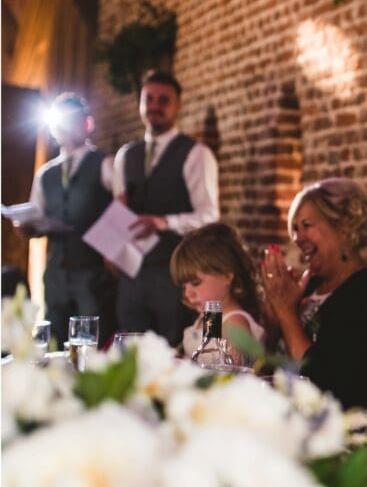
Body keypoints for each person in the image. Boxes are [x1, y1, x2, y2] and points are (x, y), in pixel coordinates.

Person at [261, 177, 367, 409]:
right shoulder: (309, 286)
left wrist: (286, 311)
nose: (297, 238)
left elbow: (322, 384)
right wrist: (274, 323)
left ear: (344, 228)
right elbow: (268, 369)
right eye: (295, 229)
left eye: (307, 225)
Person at [113, 70, 219, 346]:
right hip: (130, 275)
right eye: (148, 99)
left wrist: (165, 222)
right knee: (130, 352)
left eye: (163, 100)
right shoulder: (126, 155)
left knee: (172, 350)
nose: (155, 106)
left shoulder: (197, 154)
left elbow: (210, 216)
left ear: (178, 106)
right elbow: (119, 209)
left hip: (174, 276)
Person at [21, 93, 115, 347]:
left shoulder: (104, 163)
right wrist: (29, 228)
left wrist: (111, 251)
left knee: (92, 340)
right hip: (56, 273)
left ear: (87, 124)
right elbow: (37, 214)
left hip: (92, 271)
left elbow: (124, 206)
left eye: (73, 120)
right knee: (54, 338)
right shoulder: (45, 174)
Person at [170, 223, 265, 366]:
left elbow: (230, 371)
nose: (188, 293)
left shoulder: (235, 323)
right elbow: (203, 355)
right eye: (184, 286)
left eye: (196, 283)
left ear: (227, 276)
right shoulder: (213, 315)